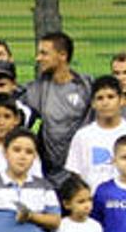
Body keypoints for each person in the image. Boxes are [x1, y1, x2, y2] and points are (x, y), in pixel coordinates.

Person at [22, 31, 93, 179]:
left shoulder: (87, 87)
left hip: (81, 173)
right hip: (47, 174)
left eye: (44, 53)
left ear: (62, 55)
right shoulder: (34, 91)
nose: (38, 58)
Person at [64, 75, 126, 193]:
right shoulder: (82, 136)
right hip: (95, 204)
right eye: (100, 98)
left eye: (110, 97)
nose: (105, 102)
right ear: (93, 103)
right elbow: (75, 174)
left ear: (122, 100)